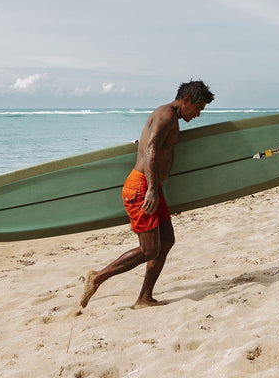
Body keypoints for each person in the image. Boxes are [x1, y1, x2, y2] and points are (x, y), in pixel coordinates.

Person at [80, 79, 214, 309]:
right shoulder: (166, 116)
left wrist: (157, 188)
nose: (199, 114)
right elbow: (151, 149)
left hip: (152, 187)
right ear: (187, 100)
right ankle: (97, 277)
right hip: (142, 187)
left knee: (167, 240)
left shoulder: (170, 116)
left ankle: (144, 297)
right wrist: (152, 189)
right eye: (199, 108)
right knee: (149, 249)